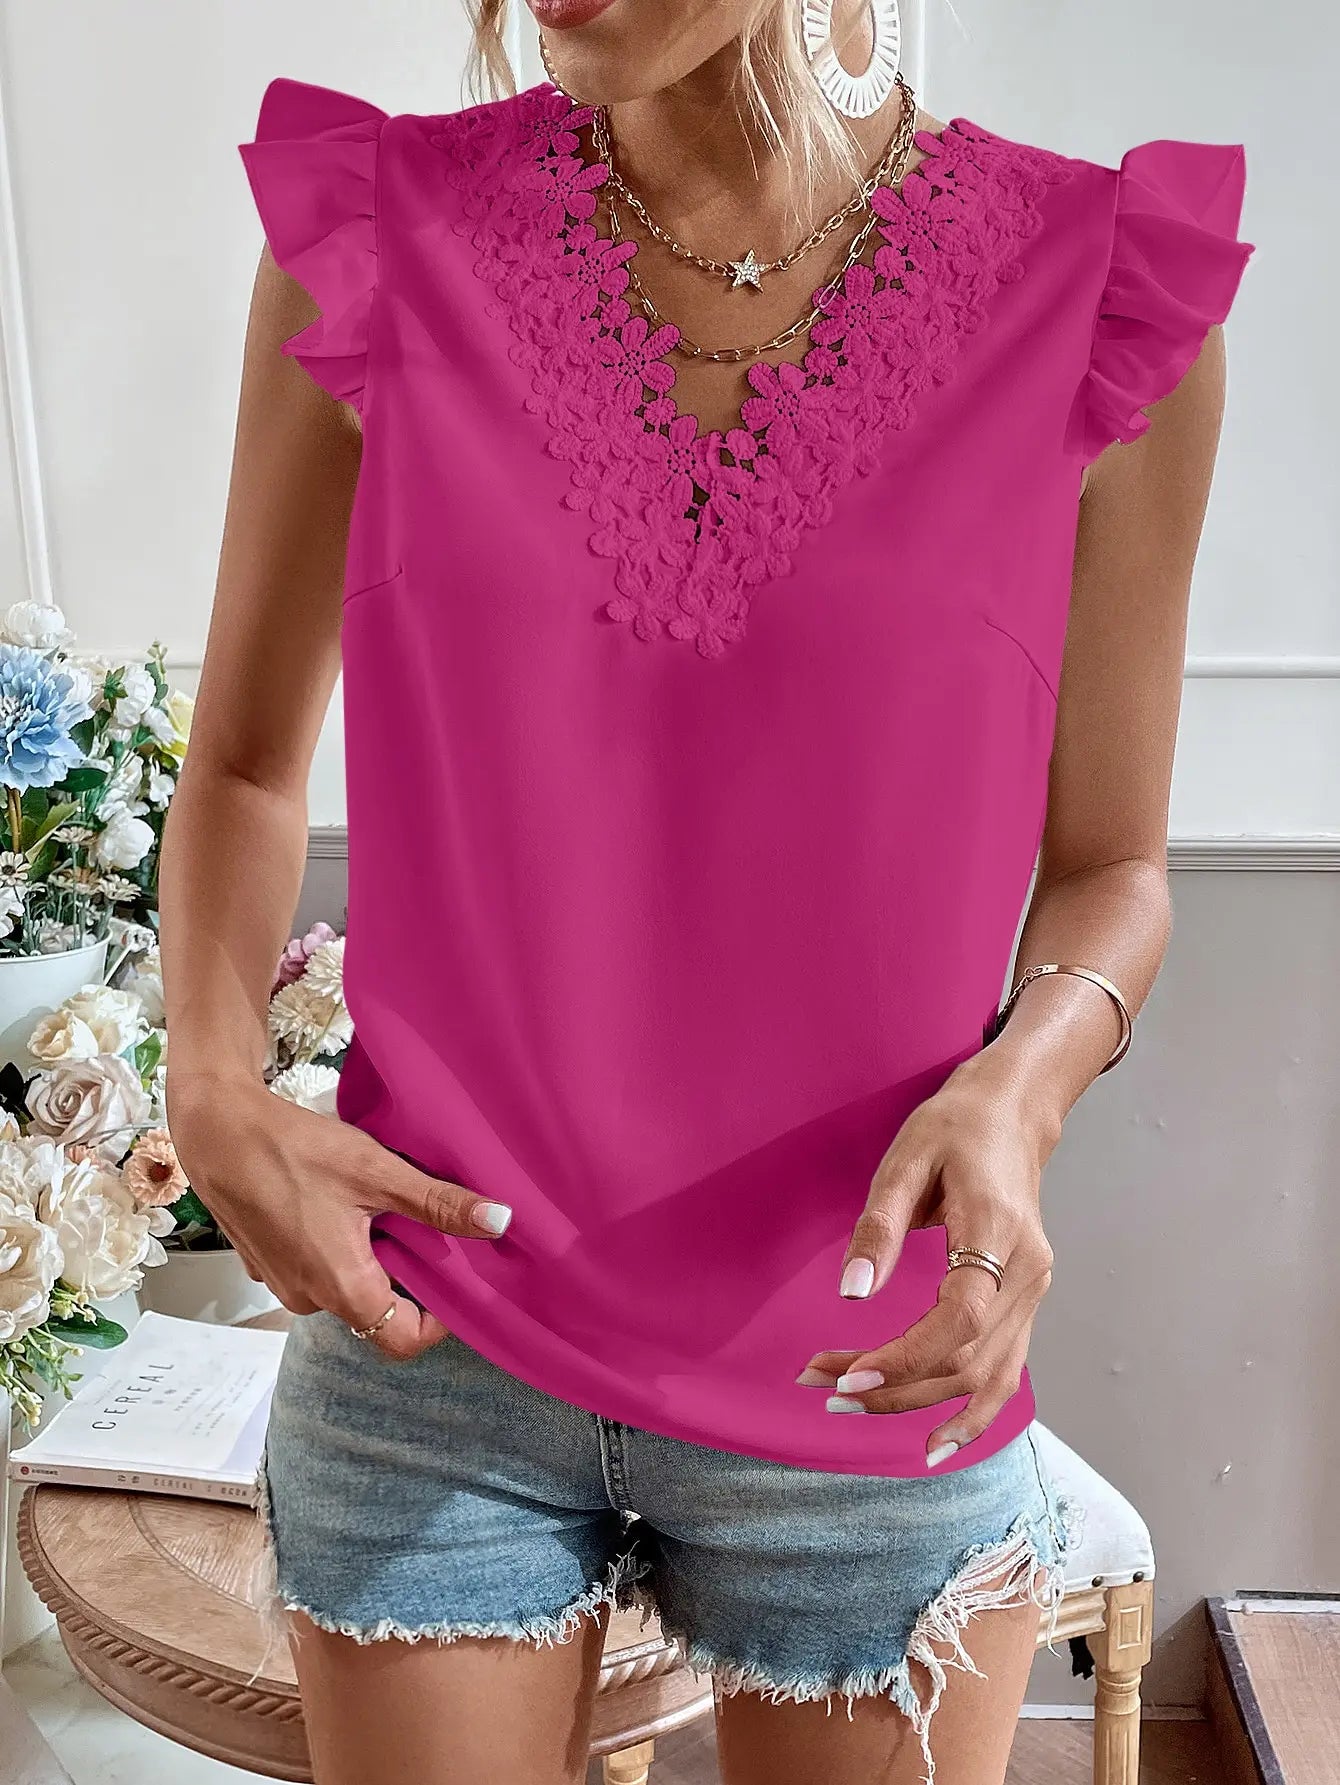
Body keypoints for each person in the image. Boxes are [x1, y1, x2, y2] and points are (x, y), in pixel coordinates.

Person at [159, 2, 1252, 1780]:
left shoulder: (1099, 295)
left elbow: (1114, 866)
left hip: (866, 1351)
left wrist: (1022, 1086)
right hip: (436, 1337)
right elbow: (243, 767)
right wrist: (208, 1084)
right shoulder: (371, 239)